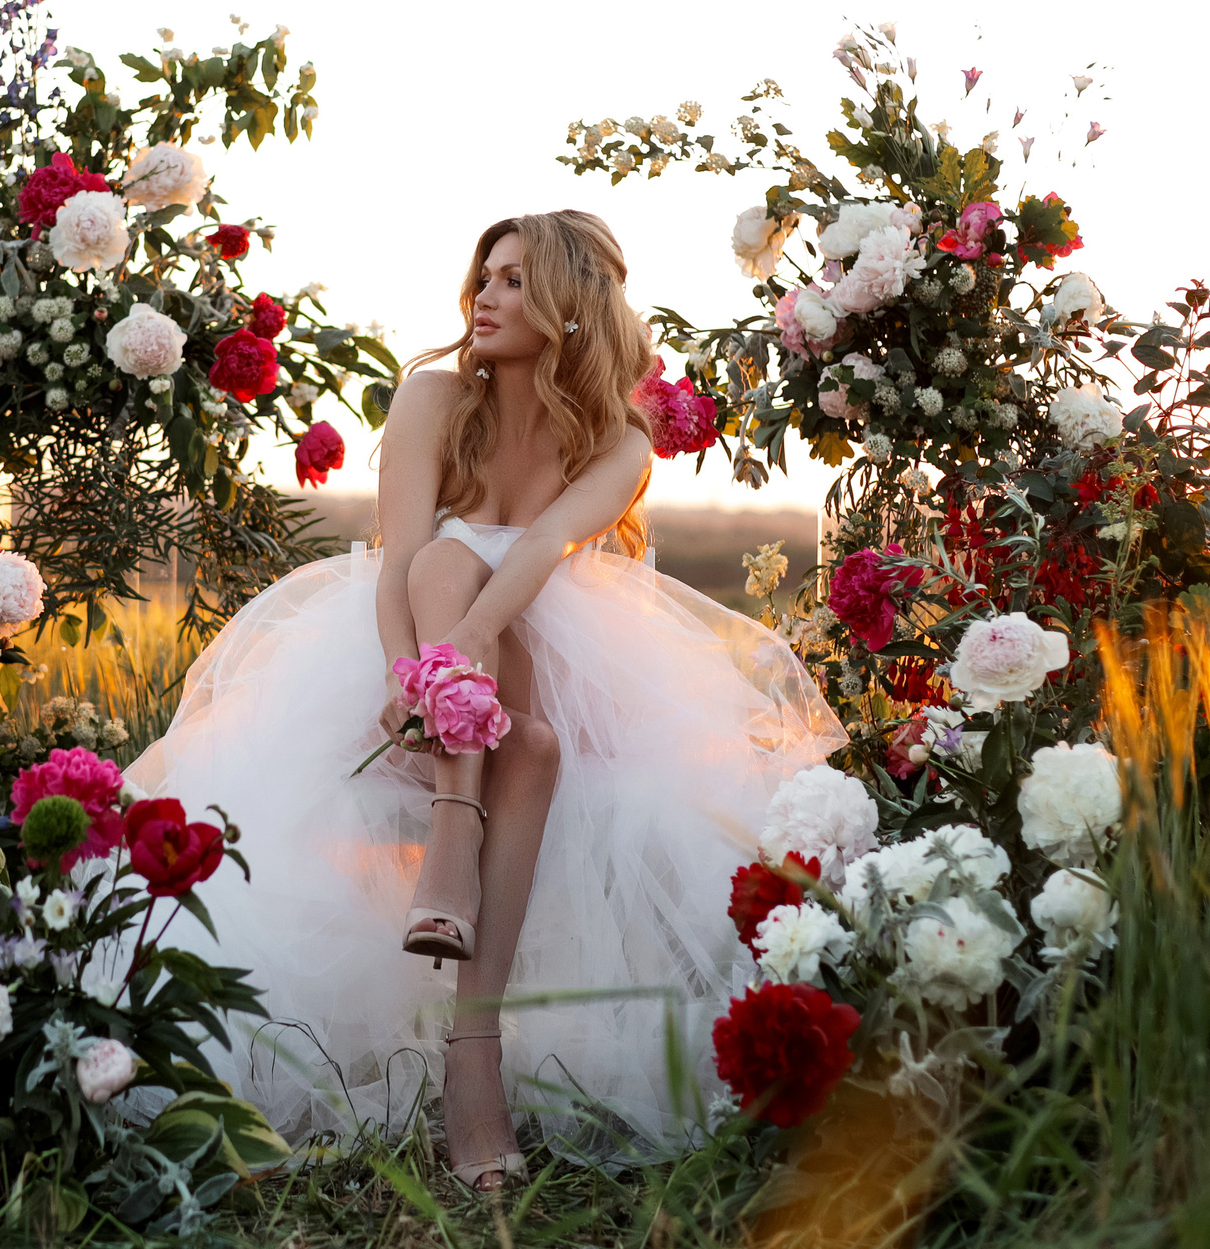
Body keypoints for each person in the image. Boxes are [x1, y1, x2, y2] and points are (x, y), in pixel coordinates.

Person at [124, 210, 843, 1189]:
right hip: (404, 648)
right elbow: (398, 565)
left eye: (512, 281)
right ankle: (474, 1048)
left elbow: (542, 553)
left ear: (571, 310)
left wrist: (461, 648)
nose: (485, 298)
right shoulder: (429, 397)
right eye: (485, 278)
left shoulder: (616, 445)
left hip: (540, 645)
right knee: (497, 676)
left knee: (505, 655)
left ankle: (460, 905)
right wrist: (401, 668)